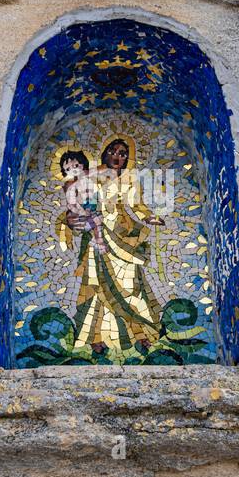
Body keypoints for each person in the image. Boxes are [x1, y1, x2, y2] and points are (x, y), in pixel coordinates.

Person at [57, 136, 163, 360]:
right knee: (95, 285)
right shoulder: (91, 174)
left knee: (131, 284)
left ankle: (139, 333)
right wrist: (69, 218)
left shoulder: (130, 178)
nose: (118, 156)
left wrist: (149, 217)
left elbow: (137, 205)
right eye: (114, 151)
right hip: (97, 233)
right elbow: (76, 199)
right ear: (105, 153)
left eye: (123, 153)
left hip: (123, 234)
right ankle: (94, 337)